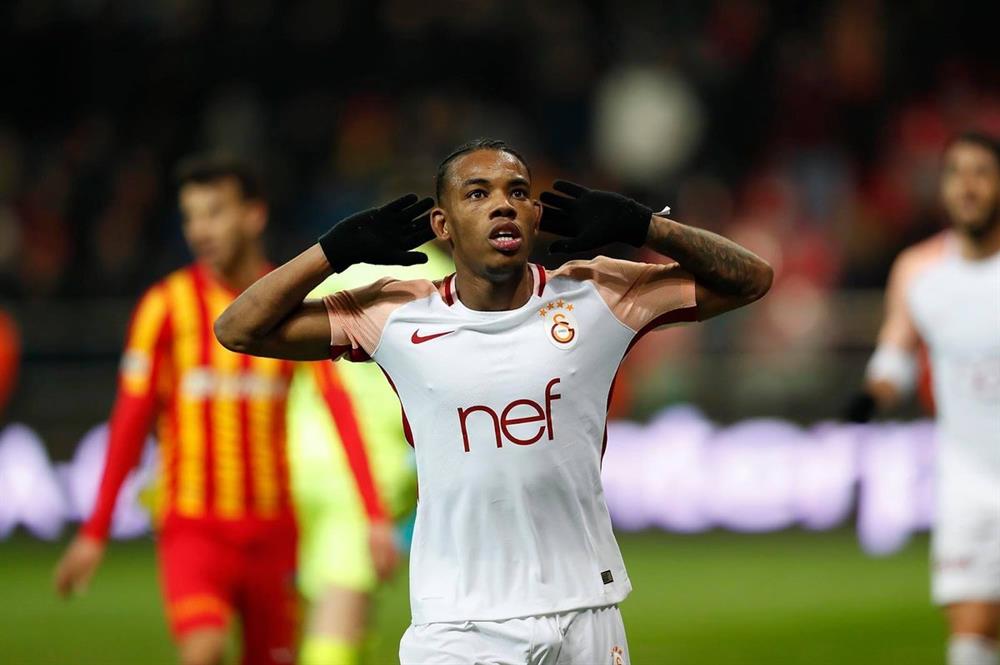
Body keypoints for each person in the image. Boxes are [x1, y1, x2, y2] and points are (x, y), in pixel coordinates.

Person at [214, 138, 772, 663]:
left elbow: (753, 279)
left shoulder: (598, 293)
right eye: (477, 194)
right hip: (457, 620)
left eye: (518, 192)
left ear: (535, 216)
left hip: (587, 608)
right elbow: (238, 329)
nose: (503, 205)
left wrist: (645, 225)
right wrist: (333, 251)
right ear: (443, 225)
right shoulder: (395, 313)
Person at [53, 155, 384, 665]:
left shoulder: (289, 305)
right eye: (190, 216)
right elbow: (130, 421)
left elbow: (337, 404)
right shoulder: (166, 306)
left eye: (214, 213)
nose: (199, 230)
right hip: (194, 530)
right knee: (203, 650)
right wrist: (95, 531)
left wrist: (373, 515)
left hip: (274, 530)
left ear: (253, 215)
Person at [847, 132, 1000, 665]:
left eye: (981, 173)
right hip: (965, 477)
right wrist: (871, 397)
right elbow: (896, 355)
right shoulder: (919, 270)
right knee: (971, 632)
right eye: (957, 173)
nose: (968, 186)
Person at [290, 242, 453, 665]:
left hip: (306, 457)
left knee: (338, 604)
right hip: (361, 470)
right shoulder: (440, 279)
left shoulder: (344, 267)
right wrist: (374, 511)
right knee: (341, 611)